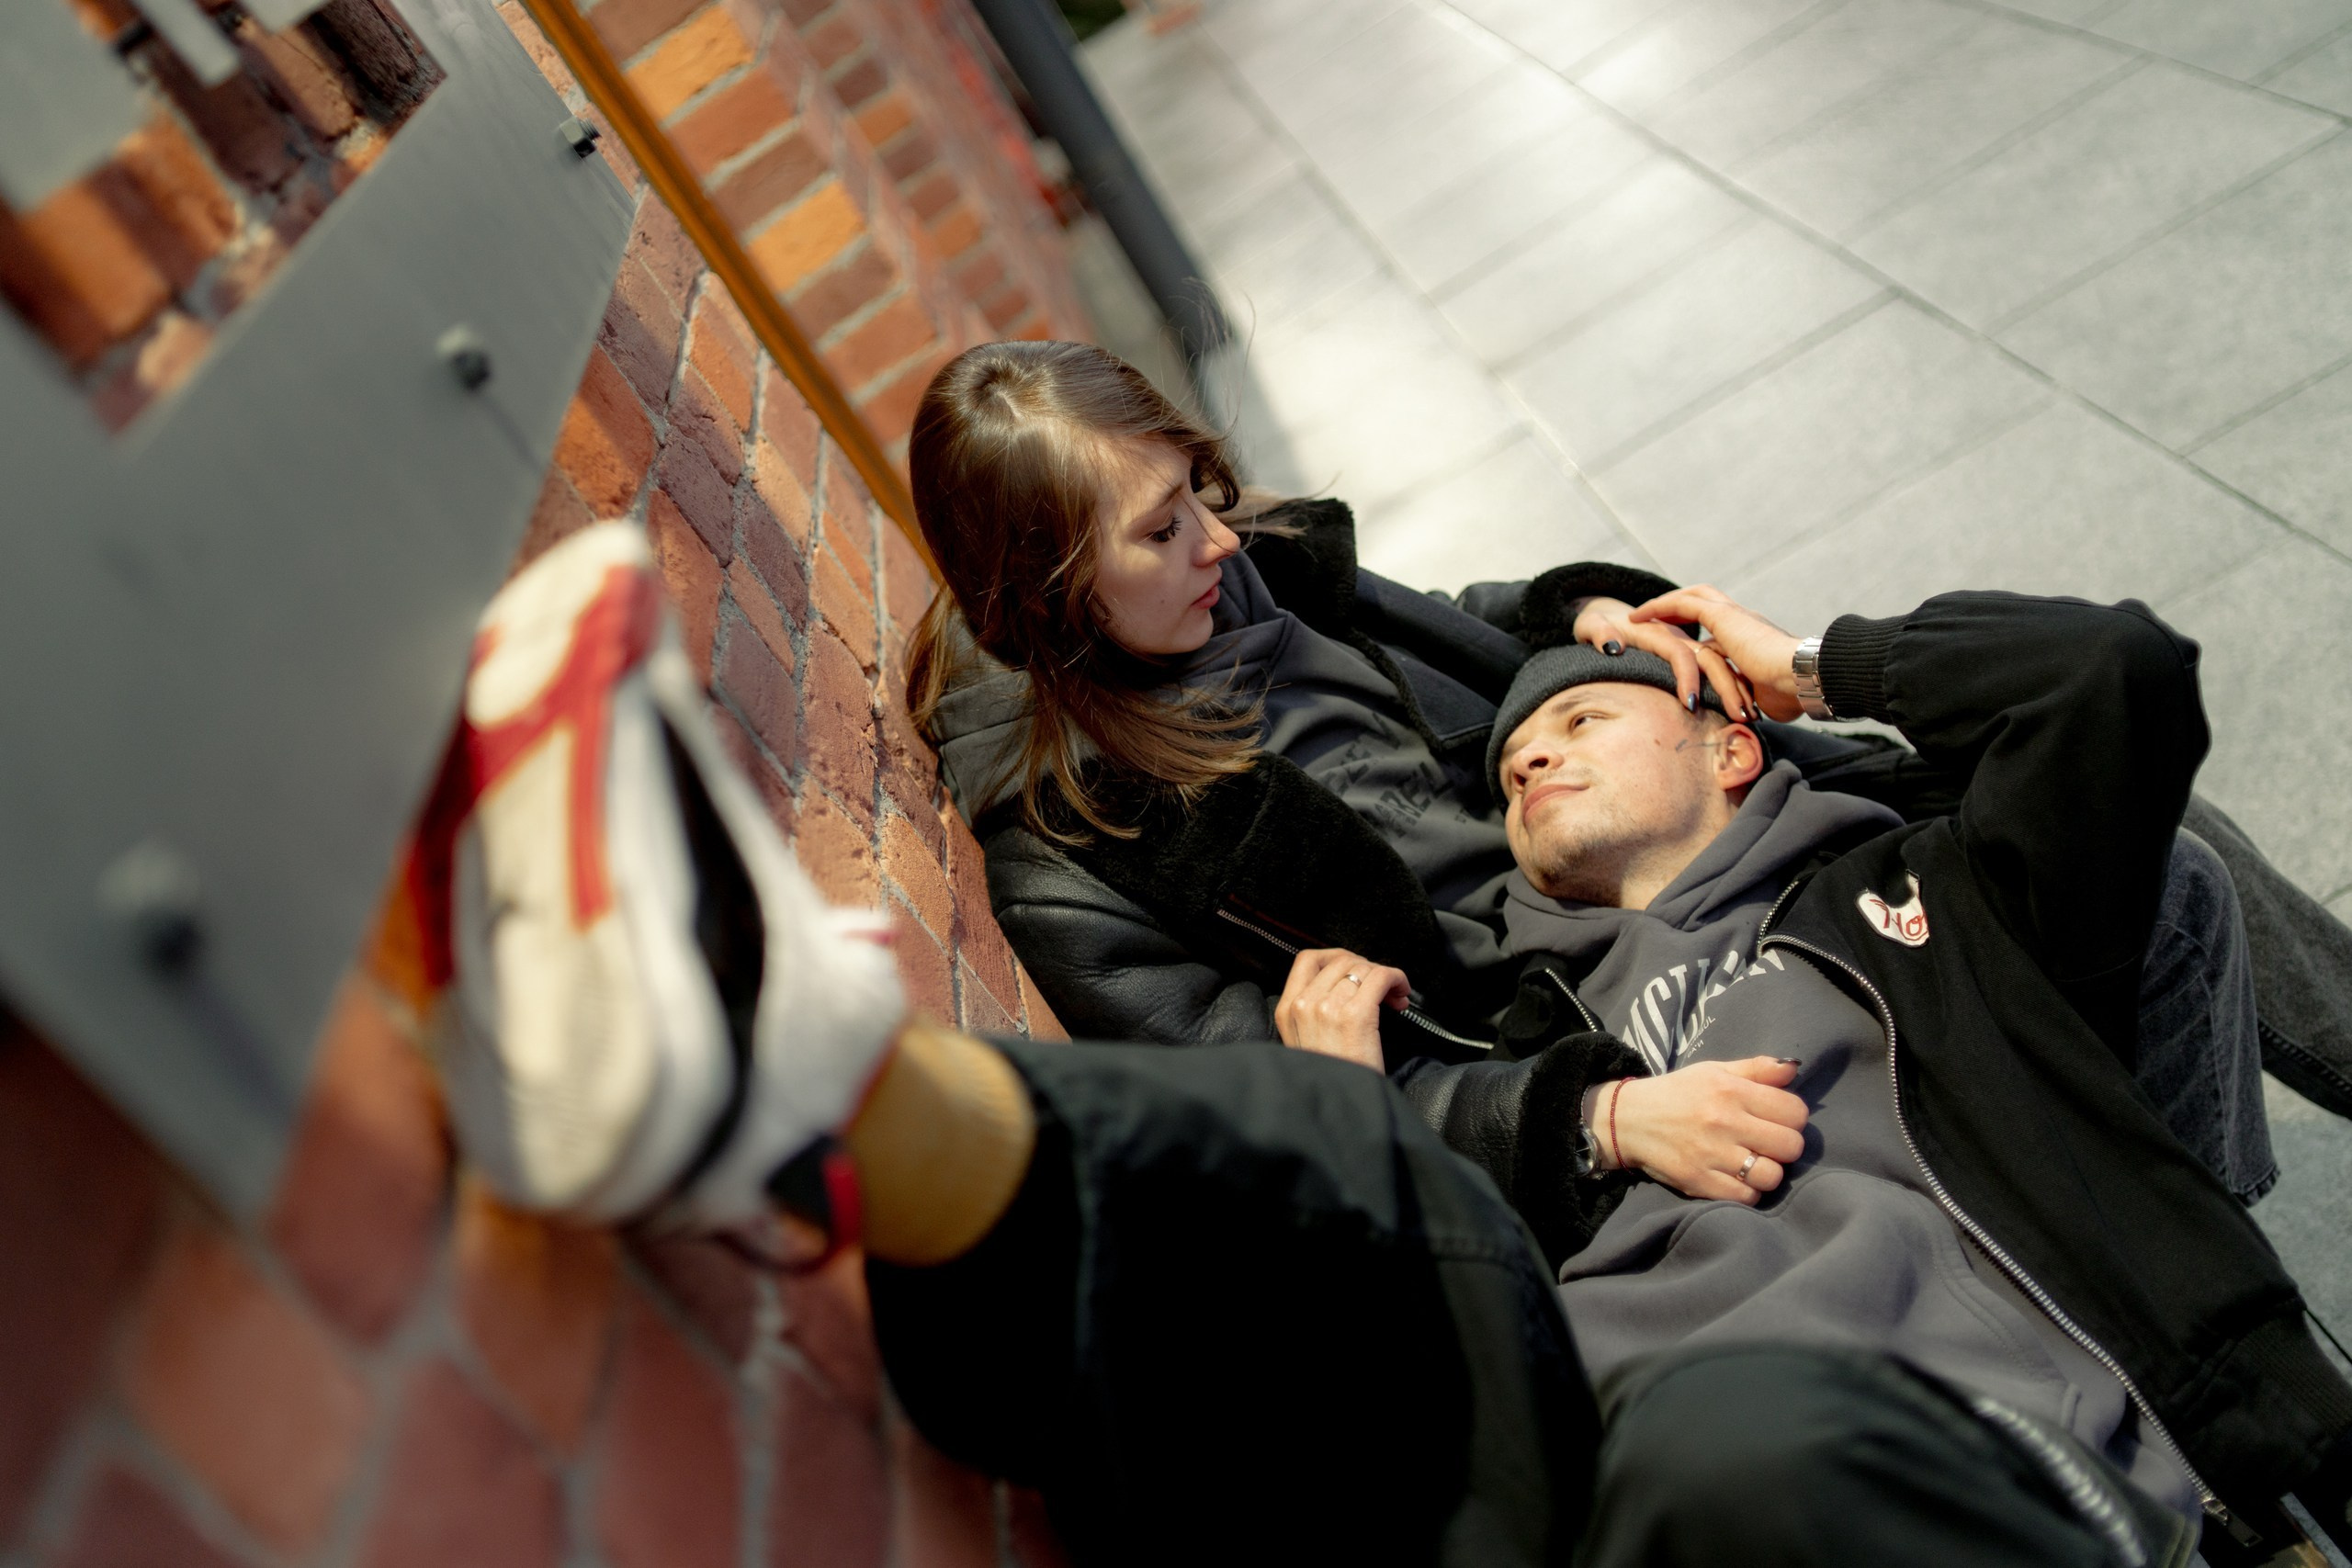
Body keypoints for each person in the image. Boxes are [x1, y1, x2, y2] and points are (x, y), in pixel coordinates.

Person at [413, 522, 2350, 1566]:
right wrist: (1546, 1114)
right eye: (1510, 760)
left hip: (1979, 1472)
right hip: (1563, 1451)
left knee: (1738, 1441)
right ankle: (776, 1078)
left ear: (1723, 737)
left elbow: (2111, 676)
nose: (1529, 750)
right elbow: (1429, 1114)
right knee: (1328, 1150)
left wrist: (1811, 659)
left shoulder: (1916, 900)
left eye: (1583, 721)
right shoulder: (1529, 1004)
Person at [901, 340, 2340, 1183]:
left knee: (2138, 818)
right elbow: (1283, 1100)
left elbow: (1446, 632)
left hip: (1624, 832)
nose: (1215, 537)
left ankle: (2190, 1268)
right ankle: (2191, 1336)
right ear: (1048, 590)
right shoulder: (1083, 836)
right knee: (2145, 891)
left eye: (1199, 493)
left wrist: (1567, 616)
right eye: (1160, 532)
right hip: (1576, 997)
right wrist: (1574, 1111)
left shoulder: (1254, 575)